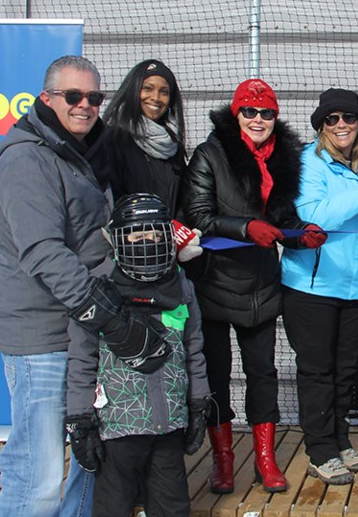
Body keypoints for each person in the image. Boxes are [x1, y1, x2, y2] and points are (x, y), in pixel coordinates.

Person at [0, 55, 169, 516]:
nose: (85, 105)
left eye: (94, 97)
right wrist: (109, 316)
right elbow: (44, 252)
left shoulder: (83, 151)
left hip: (83, 331)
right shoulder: (27, 157)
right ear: (48, 98)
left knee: (89, 462)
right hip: (44, 336)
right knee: (38, 471)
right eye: (73, 96)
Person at [178, 78, 326, 494]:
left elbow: (281, 220)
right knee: (217, 375)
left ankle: (265, 457)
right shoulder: (211, 154)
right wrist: (245, 226)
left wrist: (301, 233)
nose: (258, 119)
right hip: (213, 281)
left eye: (267, 113)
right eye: (250, 111)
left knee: (263, 372)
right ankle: (223, 461)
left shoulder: (285, 156)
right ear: (236, 113)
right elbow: (198, 217)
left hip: (262, 284)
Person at [65, 193, 210, 517]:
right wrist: (79, 420)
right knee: (113, 507)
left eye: (156, 235)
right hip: (118, 428)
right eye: (137, 235)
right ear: (118, 239)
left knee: (172, 507)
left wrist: (198, 403)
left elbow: (194, 351)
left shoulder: (181, 288)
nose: (147, 242)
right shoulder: (99, 290)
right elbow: (82, 360)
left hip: (168, 425)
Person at [281, 87, 358, 485]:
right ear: (321, 126)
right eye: (332, 119)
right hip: (312, 286)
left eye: (349, 118)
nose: (341, 125)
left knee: (344, 370)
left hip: (356, 285)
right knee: (317, 371)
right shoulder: (308, 162)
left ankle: (339, 441)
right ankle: (319, 450)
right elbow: (315, 216)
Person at [101, 59, 187, 210]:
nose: (156, 98)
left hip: (167, 232)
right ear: (133, 90)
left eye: (164, 92)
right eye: (148, 88)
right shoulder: (113, 139)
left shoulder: (173, 146)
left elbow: (183, 200)